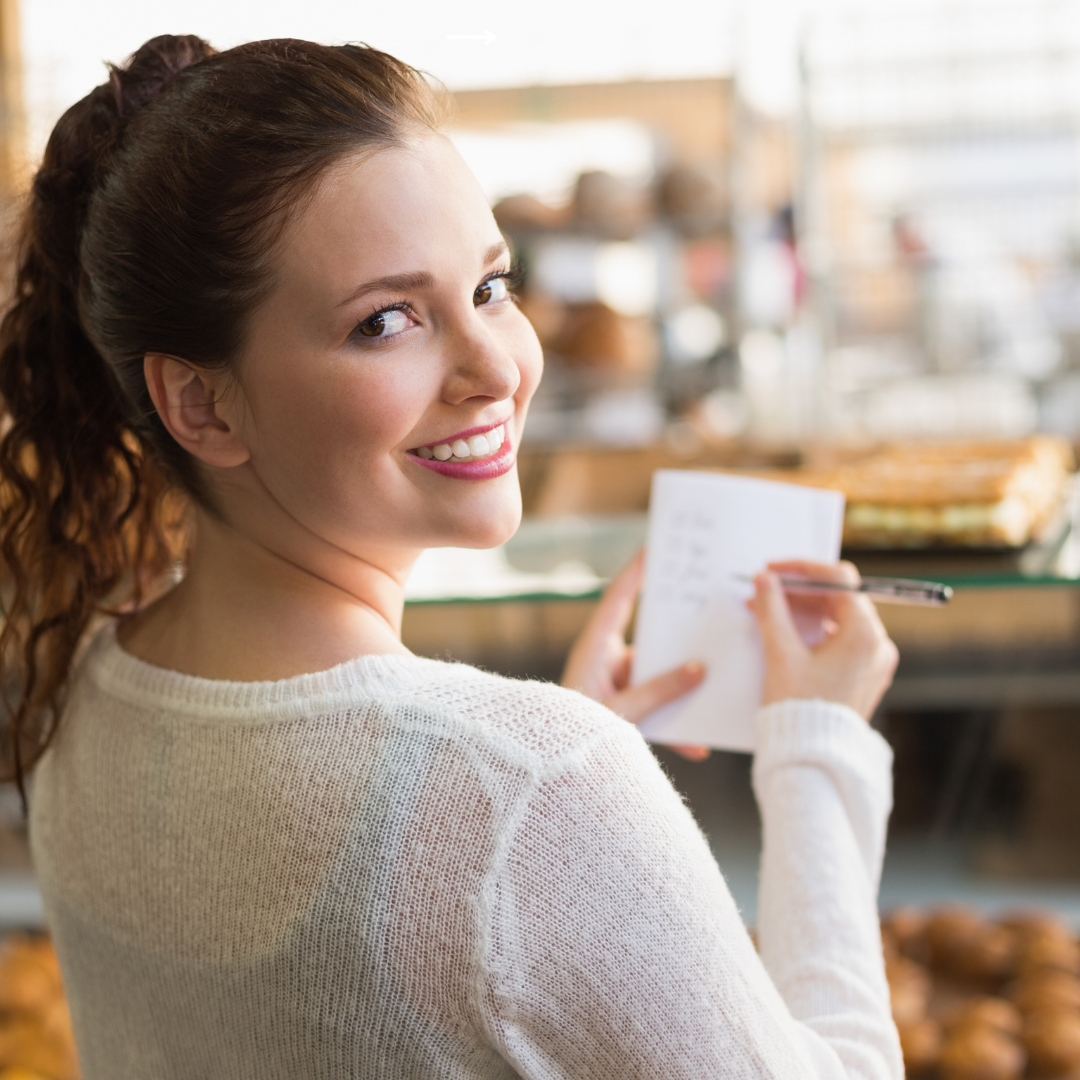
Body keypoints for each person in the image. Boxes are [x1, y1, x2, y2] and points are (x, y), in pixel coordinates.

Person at [0, 34, 901, 1079]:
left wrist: (532, 799)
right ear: (197, 401)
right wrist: (817, 751)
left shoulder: (81, 690)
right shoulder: (533, 793)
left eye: (490, 287)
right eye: (385, 321)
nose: (496, 370)